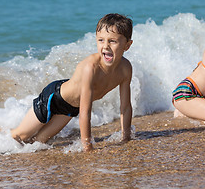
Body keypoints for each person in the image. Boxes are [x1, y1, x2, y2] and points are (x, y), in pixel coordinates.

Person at [11, 13, 134, 152]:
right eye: (101, 40)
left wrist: (126, 137)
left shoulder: (125, 69)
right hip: (54, 98)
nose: (105, 46)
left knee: (38, 143)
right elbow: (85, 112)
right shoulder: (91, 68)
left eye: (112, 41)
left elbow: (125, 107)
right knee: (20, 136)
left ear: (127, 45)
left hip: (70, 109)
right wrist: (88, 148)